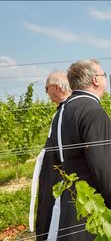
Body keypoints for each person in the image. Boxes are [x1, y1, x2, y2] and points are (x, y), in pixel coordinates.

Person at [47, 59, 111, 240]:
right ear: (95, 80)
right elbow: (102, 161)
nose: (105, 79)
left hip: (72, 198)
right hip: (94, 203)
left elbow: (56, 157)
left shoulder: (63, 110)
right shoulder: (91, 110)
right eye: (103, 75)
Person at [30, 71, 71, 240]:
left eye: (46, 89)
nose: (46, 93)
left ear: (55, 87)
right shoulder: (61, 110)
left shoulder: (69, 110)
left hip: (59, 172)